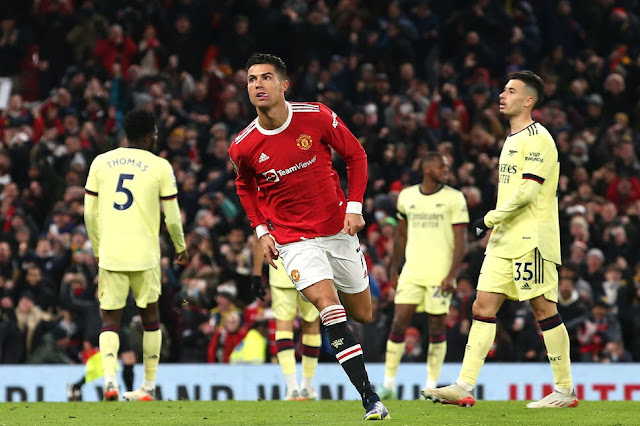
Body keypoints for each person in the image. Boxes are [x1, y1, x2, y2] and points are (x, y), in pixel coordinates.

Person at [229, 53, 389, 420]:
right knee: (329, 307)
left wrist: (354, 206)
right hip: (293, 241)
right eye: (251, 79)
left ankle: (337, 317)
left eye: (266, 77)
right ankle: (370, 398)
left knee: (363, 314)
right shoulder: (243, 145)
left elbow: (356, 155)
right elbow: (244, 186)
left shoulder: (316, 116)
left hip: (337, 230)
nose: (257, 84)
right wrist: (261, 230)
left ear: (284, 85)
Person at [423, 71, 578, 408]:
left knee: (543, 309)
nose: (502, 95)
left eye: (511, 91)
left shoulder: (539, 138)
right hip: (504, 239)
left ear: (528, 101)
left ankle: (565, 390)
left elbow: (528, 192)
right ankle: (464, 385)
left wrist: (488, 219)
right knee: (482, 307)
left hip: (531, 239)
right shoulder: (511, 138)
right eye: (503, 89)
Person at [84, 108, 188, 401]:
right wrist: (180, 246)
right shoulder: (160, 166)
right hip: (146, 255)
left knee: (109, 320)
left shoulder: (100, 162)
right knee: (150, 319)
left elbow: (89, 215)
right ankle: (148, 387)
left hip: (111, 254)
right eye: (154, 133)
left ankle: (109, 381)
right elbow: (173, 218)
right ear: (148, 135)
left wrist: (97, 249)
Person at [378, 152, 468, 399]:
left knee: (436, 326)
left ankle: (431, 385)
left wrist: (452, 274)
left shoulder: (454, 198)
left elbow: (461, 241)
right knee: (399, 322)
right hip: (412, 272)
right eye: (442, 167)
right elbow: (401, 236)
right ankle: (388, 384)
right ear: (427, 169)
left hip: (440, 274)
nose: (446, 171)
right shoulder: (407, 196)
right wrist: (394, 269)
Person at [252, 241, 321, 401]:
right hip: (310, 266)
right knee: (311, 324)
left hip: (280, 268)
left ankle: (292, 388)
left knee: (283, 325)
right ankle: (307, 386)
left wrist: (256, 274)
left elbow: (259, 235)